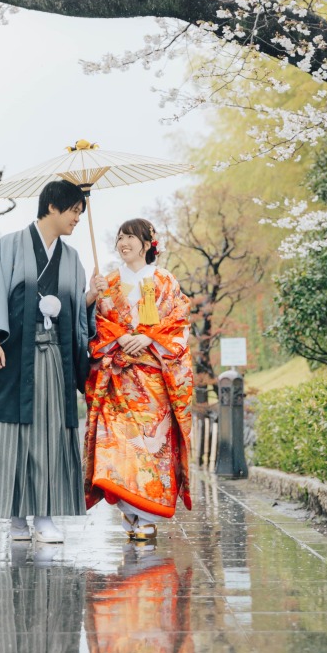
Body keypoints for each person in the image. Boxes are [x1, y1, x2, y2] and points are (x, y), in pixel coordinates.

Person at [0, 179, 98, 544]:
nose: (77, 218)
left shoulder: (71, 258)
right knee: (16, 436)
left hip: (55, 360)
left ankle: (44, 516)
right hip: (14, 359)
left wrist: (91, 295)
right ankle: (16, 518)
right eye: (74, 210)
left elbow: (74, 316)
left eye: (80, 212)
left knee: (52, 433)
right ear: (53, 207)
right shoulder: (9, 246)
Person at [84, 218, 193, 541]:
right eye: (119, 237)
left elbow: (179, 322)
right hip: (118, 377)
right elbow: (95, 325)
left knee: (151, 446)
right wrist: (93, 296)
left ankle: (146, 515)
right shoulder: (110, 281)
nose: (123, 243)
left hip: (153, 378)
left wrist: (147, 339)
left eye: (130, 236)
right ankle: (129, 512)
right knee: (119, 445)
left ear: (148, 243)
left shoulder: (164, 280)